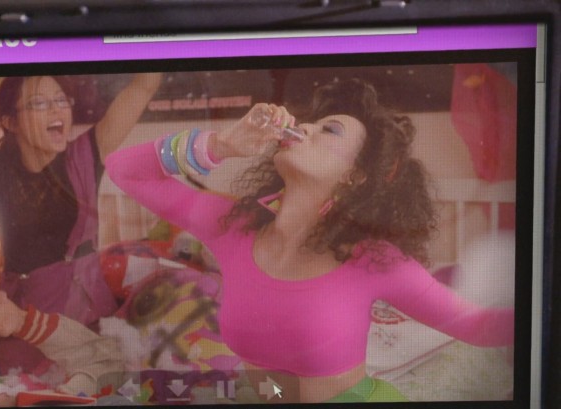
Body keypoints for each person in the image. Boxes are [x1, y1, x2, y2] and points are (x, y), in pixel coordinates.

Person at [105, 78, 515, 403]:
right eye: (309, 123)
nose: (303, 128)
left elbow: (478, 327)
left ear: (355, 176)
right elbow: (123, 170)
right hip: (264, 397)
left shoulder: (374, 260)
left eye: (328, 130)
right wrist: (220, 145)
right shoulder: (234, 225)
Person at [0, 73, 162, 373]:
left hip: (81, 307)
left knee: (94, 376)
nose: (56, 109)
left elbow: (144, 86)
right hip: (23, 310)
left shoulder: (85, 154)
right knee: (24, 383)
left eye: (61, 100)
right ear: (11, 122)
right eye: (39, 103)